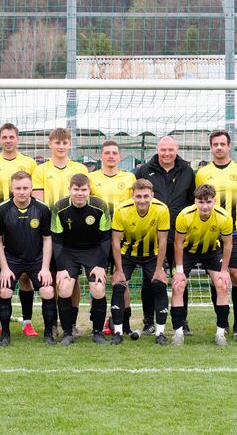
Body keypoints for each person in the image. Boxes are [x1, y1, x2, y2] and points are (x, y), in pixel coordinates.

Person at [195, 130, 237, 341]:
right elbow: (199, 201)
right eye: (215, 144)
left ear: (229, 146)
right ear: (211, 147)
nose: (219, 147)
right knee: (217, 278)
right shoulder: (202, 173)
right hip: (211, 232)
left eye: (223, 144)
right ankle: (223, 321)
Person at [0, 123, 39, 337]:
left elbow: (34, 192)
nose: (8, 140)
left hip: (25, 224)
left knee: (25, 278)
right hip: (0, 222)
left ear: (17, 139)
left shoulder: (29, 163)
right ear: (0, 139)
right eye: (4, 137)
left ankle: (27, 322)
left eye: (11, 137)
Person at [134, 135, 195, 335]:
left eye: (170, 149)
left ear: (176, 150)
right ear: (157, 150)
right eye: (163, 149)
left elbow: (192, 201)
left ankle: (181, 321)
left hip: (179, 235)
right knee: (150, 279)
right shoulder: (144, 170)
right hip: (152, 235)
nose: (167, 153)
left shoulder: (187, 171)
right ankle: (148, 321)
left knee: (180, 278)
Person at [33, 128, 89, 336]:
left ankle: (71, 322)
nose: (61, 146)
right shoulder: (40, 170)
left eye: (65, 143)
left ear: (69, 144)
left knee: (73, 278)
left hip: (74, 231)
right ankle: (55, 322)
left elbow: (84, 198)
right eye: (57, 143)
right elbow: (39, 203)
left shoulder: (79, 168)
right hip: (51, 231)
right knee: (54, 276)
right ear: (50, 144)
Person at [51, 173, 111, 346]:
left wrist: (101, 265)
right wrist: (61, 268)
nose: (80, 193)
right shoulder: (59, 207)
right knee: (64, 288)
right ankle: (68, 332)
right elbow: (57, 240)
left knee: (98, 288)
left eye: (83, 190)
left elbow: (106, 238)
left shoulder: (100, 206)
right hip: (68, 252)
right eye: (76, 189)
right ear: (69, 190)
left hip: (94, 252)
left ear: (89, 190)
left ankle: (98, 332)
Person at [0, 171, 54, 345]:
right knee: (4, 290)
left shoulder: (42, 209)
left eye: (25, 188)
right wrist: (4, 268)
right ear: (12, 189)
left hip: (36, 260)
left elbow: (47, 239)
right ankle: (5, 334)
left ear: (31, 189)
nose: (22, 192)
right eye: (18, 188)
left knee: (48, 291)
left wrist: (45, 268)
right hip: (11, 260)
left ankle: (49, 334)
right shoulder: (2, 209)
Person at [171, 184, 233, 346]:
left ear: (215, 201)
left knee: (222, 284)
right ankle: (178, 333)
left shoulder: (224, 217)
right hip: (187, 251)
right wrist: (179, 271)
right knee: (178, 285)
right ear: (195, 201)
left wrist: (224, 271)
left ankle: (220, 333)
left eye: (208, 202)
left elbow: (228, 244)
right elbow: (178, 243)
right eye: (201, 202)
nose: (205, 206)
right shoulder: (184, 215)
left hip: (212, 251)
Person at [110, 179, 170, 345]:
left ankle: (160, 333)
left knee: (159, 284)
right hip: (127, 253)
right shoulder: (121, 210)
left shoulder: (162, 209)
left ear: (152, 195)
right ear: (132, 195)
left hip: (152, 253)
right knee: (119, 285)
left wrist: (159, 269)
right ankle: (118, 332)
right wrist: (119, 270)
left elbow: (163, 240)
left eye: (145, 196)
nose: (142, 200)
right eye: (138, 196)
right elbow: (115, 242)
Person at [88, 140, 136, 336]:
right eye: (107, 152)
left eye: (114, 153)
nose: (110, 156)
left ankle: (124, 323)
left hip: (122, 236)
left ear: (119, 156)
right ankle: (96, 322)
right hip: (97, 237)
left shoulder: (129, 177)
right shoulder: (91, 178)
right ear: (101, 156)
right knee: (96, 279)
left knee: (121, 279)